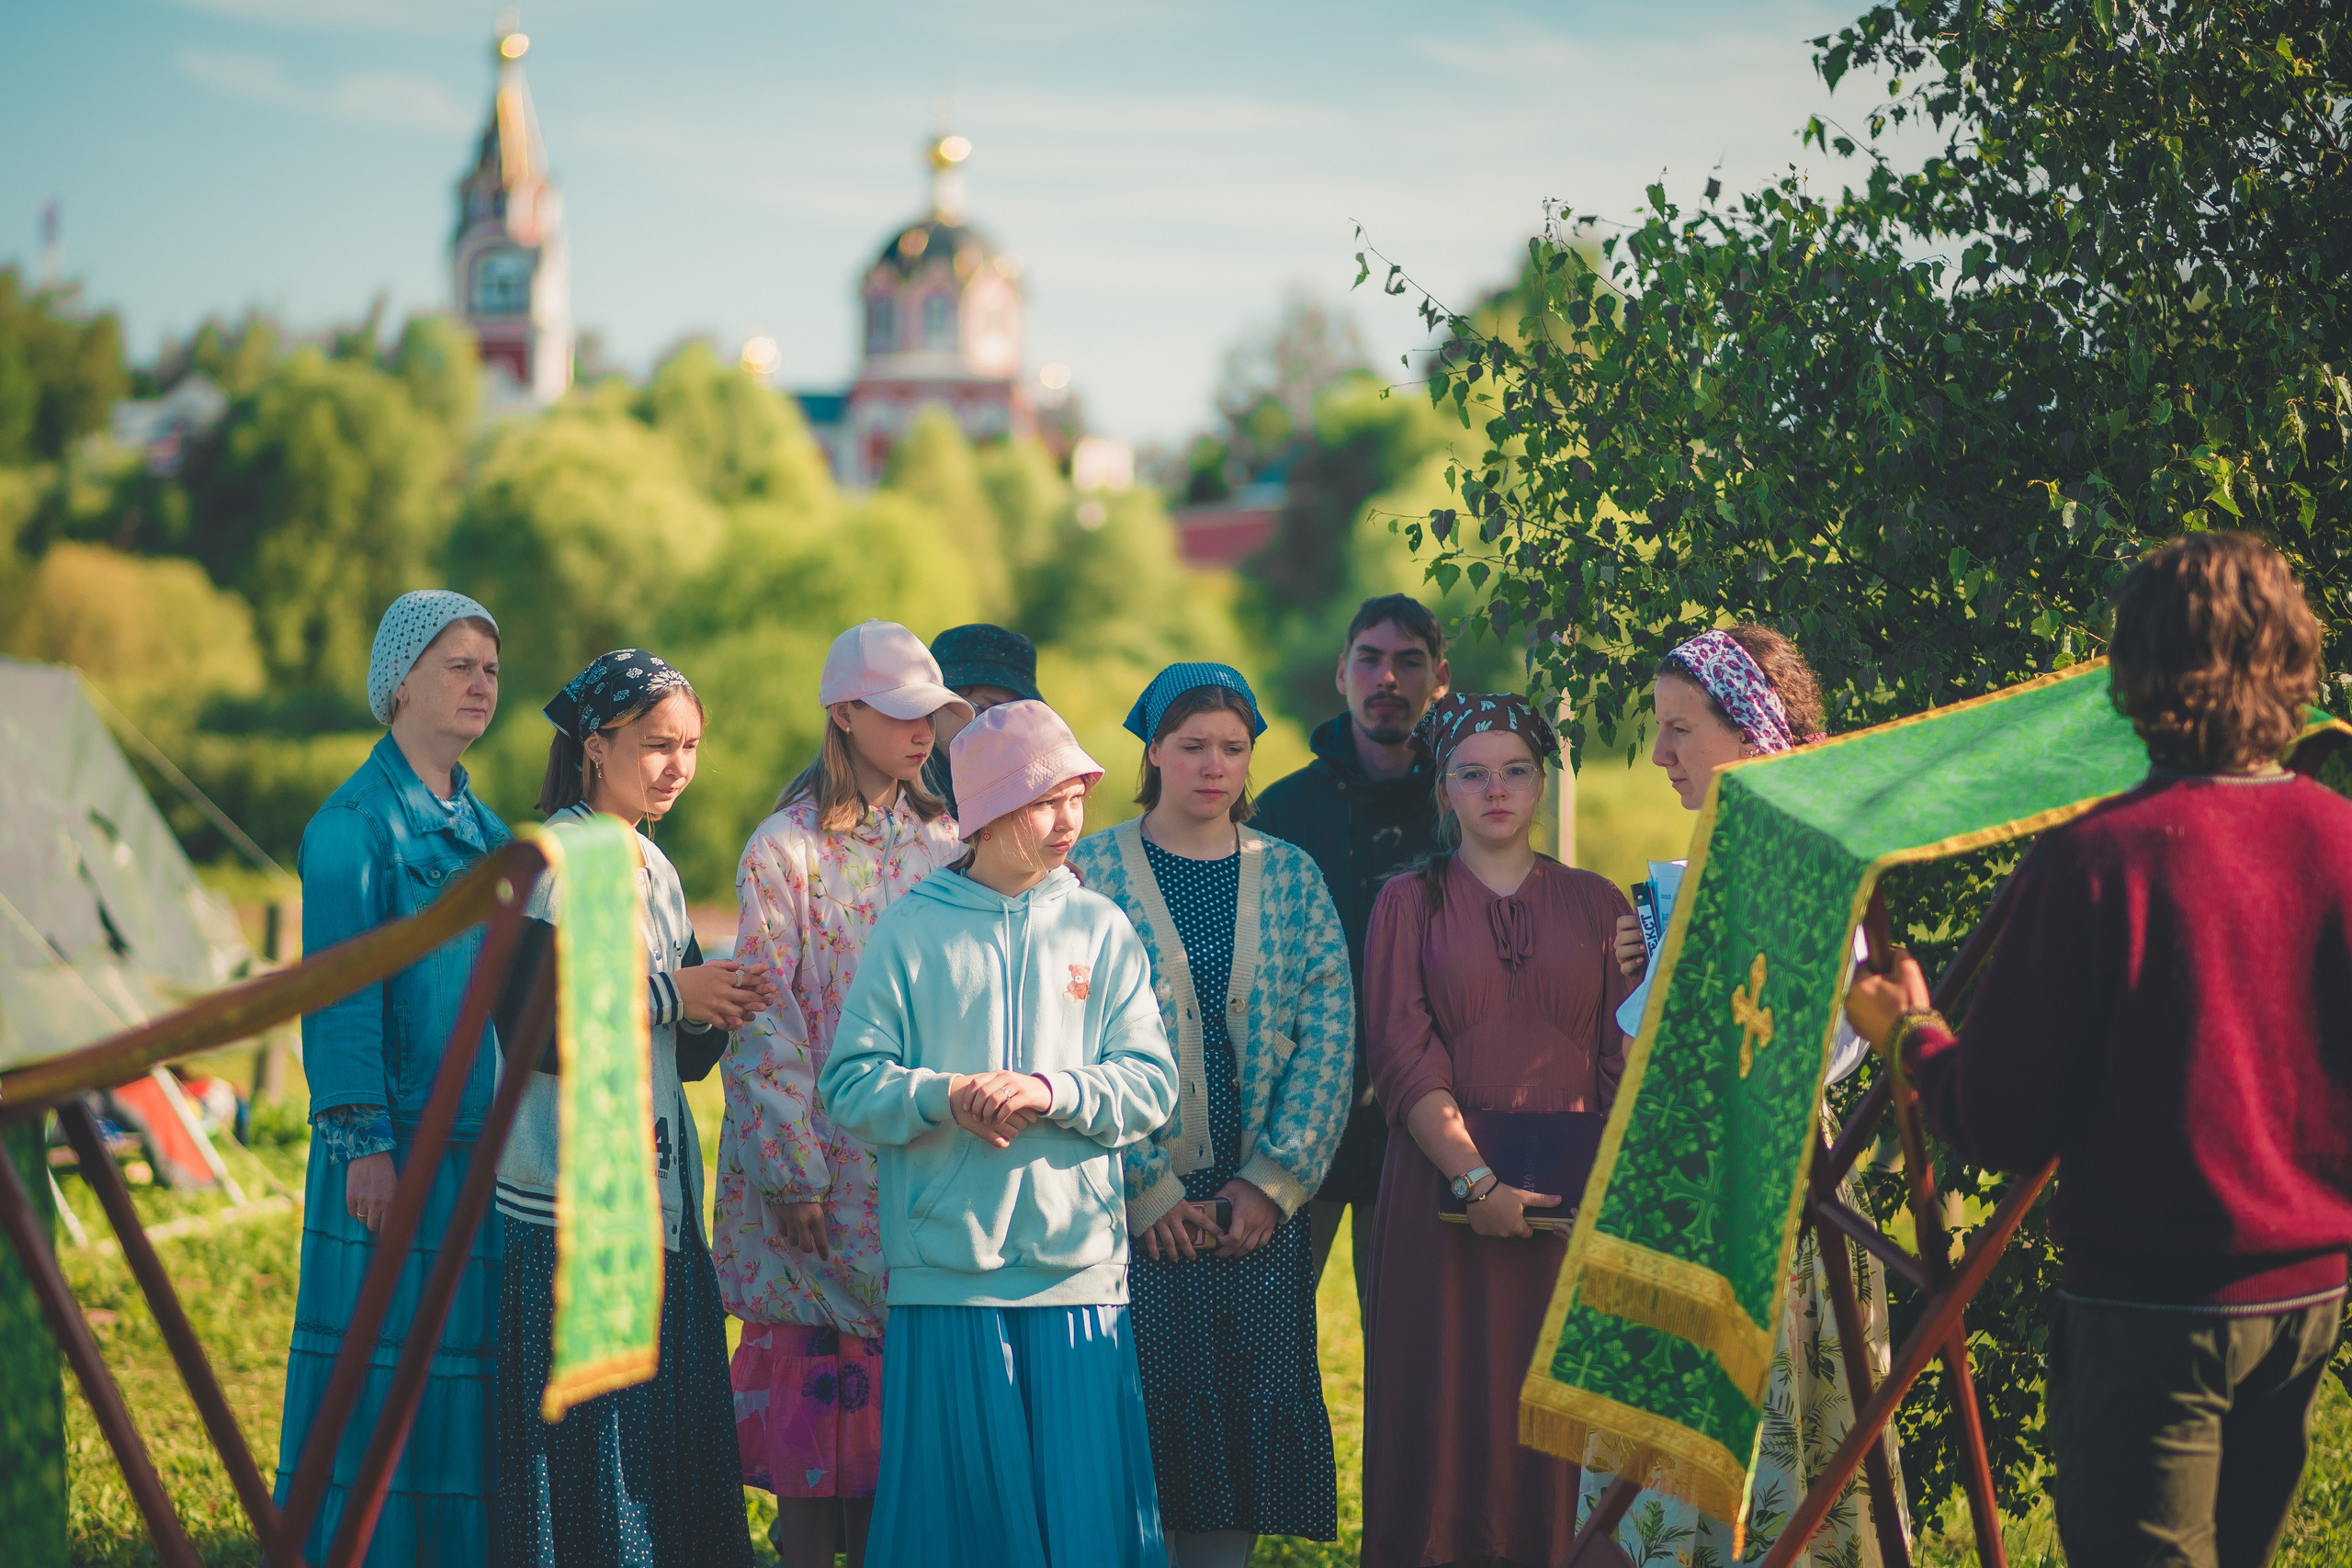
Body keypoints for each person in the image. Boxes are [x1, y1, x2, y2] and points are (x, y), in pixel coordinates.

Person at [1846, 532, 2352, 1568]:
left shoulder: (2095, 859)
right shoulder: (2337, 839)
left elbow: (1996, 1118)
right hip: (2307, 1298)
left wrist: (1907, 1036)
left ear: (2133, 676)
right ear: (2291, 664)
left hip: (2149, 1307)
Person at [819, 700, 1181, 1568]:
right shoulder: (910, 926)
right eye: (1043, 799)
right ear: (984, 809)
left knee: (1086, 1529)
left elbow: (1151, 1083)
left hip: (1078, 1275)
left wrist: (1052, 1089)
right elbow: (849, 1084)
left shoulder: (1100, 926)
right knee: (956, 1533)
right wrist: (946, 1094)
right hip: (948, 1280)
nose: (1068, 821)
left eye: (1077, 796)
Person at [1592, 624, 1906, 1566]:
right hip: (1698, 1191)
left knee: (1781, 1450)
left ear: (1750, 729)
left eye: (1681, 728)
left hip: (1775, 1193)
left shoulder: (1811, 855)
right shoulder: (1726, 851)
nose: (1659, 755)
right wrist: (1652, 976)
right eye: (1659, 728)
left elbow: (1826, 1045)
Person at [1068, 664, 1355, 1568]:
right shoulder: (1089, 870)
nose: (1214, 766)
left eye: (1233, 748)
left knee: (1243, 1408)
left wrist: (1272, 1184)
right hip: (1127, 1208)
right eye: (1192, 746)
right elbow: (1064, 1032)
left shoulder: (1291, 876)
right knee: (1141, 1414)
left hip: (1252, 1207)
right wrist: (1145, 1186)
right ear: (1151, 751)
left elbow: (1330, 1034)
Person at [493, 650, 774, 1568]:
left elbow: (683, 1055)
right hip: (568, 1214)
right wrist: (670, 994)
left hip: (654, 1211)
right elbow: (532, 1031)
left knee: (653, 1469)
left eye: (690, 746)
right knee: (589, 1470)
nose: (677, 766)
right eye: (657, 744)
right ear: (592, 745)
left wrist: (721, 1001)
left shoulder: (650, 864)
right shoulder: (552, 860)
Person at [1357, 692, 1634, 1568]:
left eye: (1516, 769)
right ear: (1444, 787)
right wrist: (1475, 1181)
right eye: (1473, 773)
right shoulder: (1408, 903)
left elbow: (1616, 1067)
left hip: (1565, 1204)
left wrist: (1643, 988)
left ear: (1545, 779)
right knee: (1442, 1407)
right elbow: (1402, 1060)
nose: (1497, 790)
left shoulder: (1600, 903)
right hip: (1443, 1199)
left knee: (1565, 1423)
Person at [717, 620, 972, 1568]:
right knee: (812, 1454)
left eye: (932, 715)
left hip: (914, 1175)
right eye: (902, 713)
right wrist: (793, 1175)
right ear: (844, 713)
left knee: (895, 1453)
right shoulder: (779, 853)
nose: (922, 733)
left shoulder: (948, 846)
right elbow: (764, 1019)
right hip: (813, 1186)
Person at [275, 591, 509, 1565]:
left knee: (458, 1380)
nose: (481, 685)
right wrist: (361, 1139)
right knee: (377, 1372)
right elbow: (338, 998)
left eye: (491, 669)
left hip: (472, 1148)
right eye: (459, 666)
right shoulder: (353, 828)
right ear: (401, 680)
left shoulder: (490, 830)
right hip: (386, 1153)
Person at [1250, 594, 1452, 1313]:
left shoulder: (1460, 808)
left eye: (1408, 661)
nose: (1387, 678)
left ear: (1440, 679)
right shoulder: (1281, 812)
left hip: (1420, 1125)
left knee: (1408, 1348)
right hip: (1297, 1119)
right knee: (1272, 1338)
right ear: (1341, 672)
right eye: (1369, 658)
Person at [922, 623, 1043, 819]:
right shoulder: (893, 789)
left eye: (1017, 716)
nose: (1000, 728)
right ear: (938, 700)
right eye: (988, 711)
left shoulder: (1024, 792)